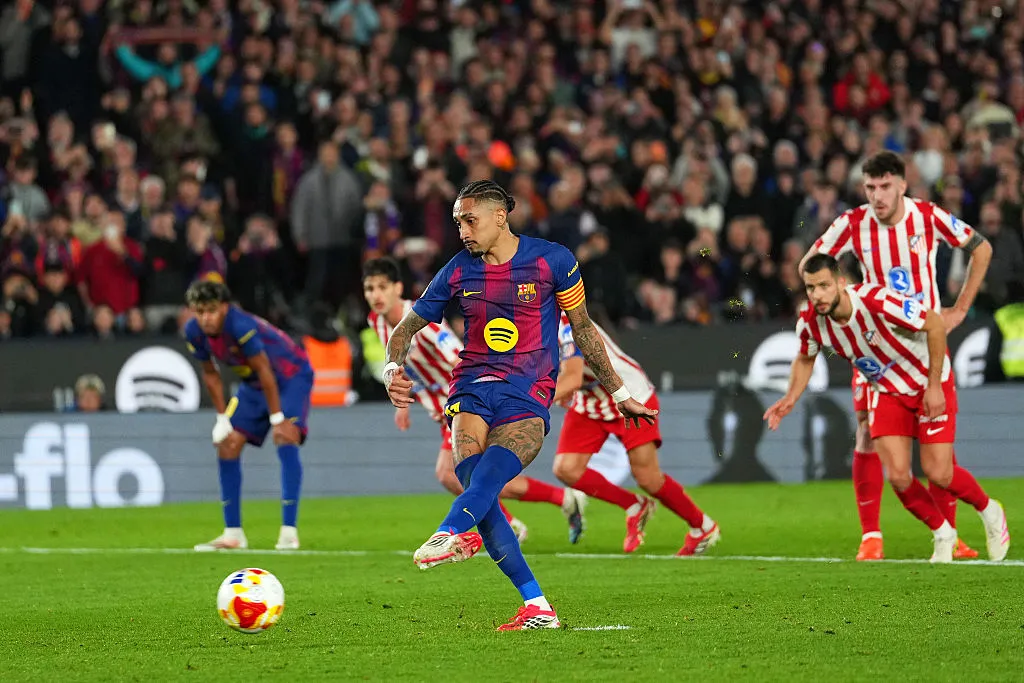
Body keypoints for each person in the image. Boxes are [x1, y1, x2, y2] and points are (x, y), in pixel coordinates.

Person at [382, 180, 657, 631]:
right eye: (457, 222)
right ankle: (537, 606)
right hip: (470, 386)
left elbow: (584, 330)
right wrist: (393, 371)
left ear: (500, 217)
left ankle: (451, 531)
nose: (463, 231)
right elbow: (404, 330)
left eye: (469, 221)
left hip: (529, 390)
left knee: (486, 482)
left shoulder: (553, 260)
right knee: (478, 487)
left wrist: (620, 393)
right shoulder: (456, 269)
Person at [799, 151, 993, 561]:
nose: (877, 195)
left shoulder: (928, 216)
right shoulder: (852, 223)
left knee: (935, 438)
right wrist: (840, 293)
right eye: (870, 187)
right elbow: (808, 264)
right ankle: (871, 535)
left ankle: (951, 534)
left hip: (924, 342)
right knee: (868, 431)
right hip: (875, 344)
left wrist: (959, 308)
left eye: (885, 186)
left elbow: (982, 248)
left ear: (902, 184)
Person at [764, 255, 1008, 563]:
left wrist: (934, 386)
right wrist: (790, 398)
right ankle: (943, 532)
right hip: (887, 389)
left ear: (841, 283)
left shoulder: (876, 300)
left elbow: (934, 324)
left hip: (927, 379)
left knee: (939, 472)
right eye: (811, 288)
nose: (818, 295)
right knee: (897, 475)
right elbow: (805, 358)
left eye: (824, 286)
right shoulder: (811, 321)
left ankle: (990, 510)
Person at [362, 256, 587, 542]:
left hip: (467, 402)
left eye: (382, 287)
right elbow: (414, 367)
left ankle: (511, 525)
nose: (375, 295)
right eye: (369, 288)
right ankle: (562, 500)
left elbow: (461, 357)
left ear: (398, 288)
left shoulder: (426, 326)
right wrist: (409, 399)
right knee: (481, 477)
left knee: (453, 474)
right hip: (443, 406)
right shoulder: (377, 323)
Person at [551, 311, 720, 554]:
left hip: (628, 394)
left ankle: (702, 526)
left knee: (648, 478)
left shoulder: (566, 323)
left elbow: (573, 377)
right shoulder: (530, 324)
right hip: (591, 402)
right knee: (566, 469)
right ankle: (633, 505)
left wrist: (531, 400)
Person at [183, 281, 314, 552]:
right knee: (227, 443)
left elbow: (266, 371)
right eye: (199, 311)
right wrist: (221, 418)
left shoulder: (240, 327)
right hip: (254, 384)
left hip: (290, 375)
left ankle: (289, 533)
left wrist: (277, 417)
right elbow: (210, 373)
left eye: (210, 311)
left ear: (223, 308)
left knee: (284, 435)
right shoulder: (193, 331)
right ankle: (233, 534)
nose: (205, 318)